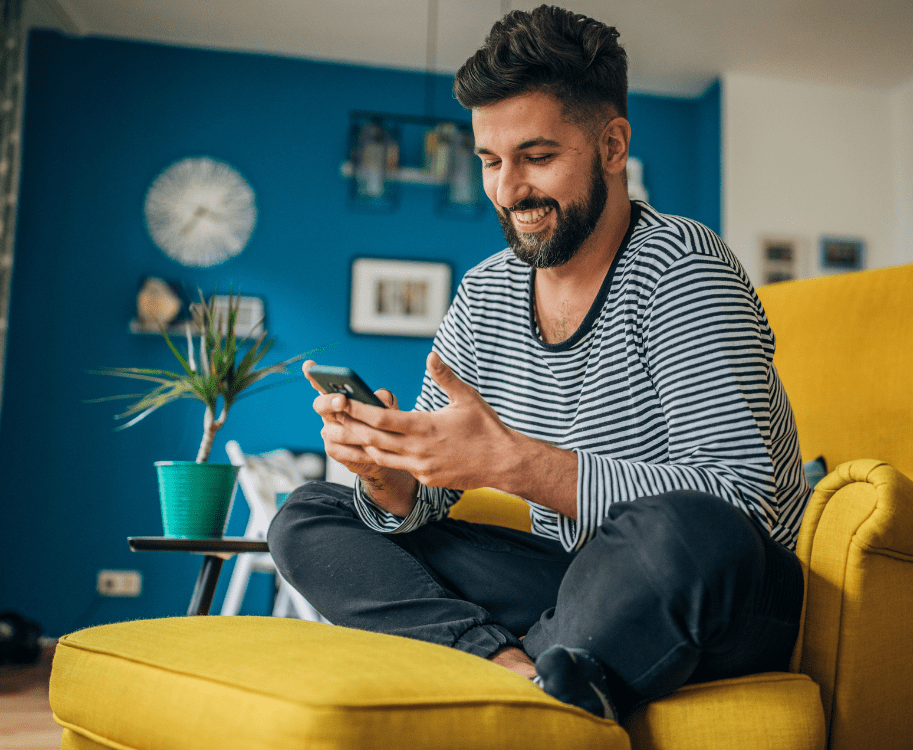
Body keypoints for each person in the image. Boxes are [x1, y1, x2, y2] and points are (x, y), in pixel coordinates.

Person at [269, 4, 811, 721]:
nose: (507, 190)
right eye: (490, 161)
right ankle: (516, 670)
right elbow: (427, 495)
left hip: (719, 585)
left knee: (683, 528)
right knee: (309, 515)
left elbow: (741, 503)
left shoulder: (683, 269)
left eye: (537, 157)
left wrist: (513, 464)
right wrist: (388, 474)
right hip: (576, 581)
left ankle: (538, 666)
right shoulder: (486, 293)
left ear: (612, 145)